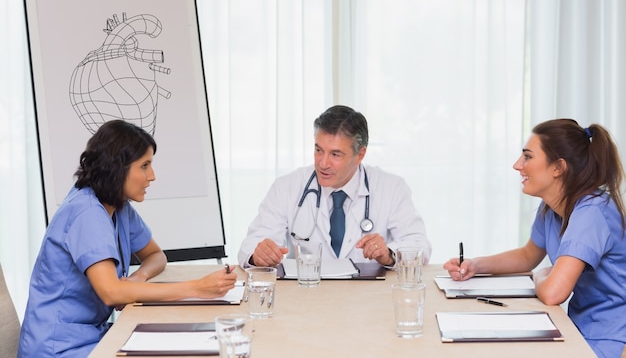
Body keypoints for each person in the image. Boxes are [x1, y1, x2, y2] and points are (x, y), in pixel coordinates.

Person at [18, 120, 237, 358]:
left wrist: (138, 278)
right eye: (144, 166)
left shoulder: (117, 206)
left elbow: (156, 255)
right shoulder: (86, 212)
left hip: (92, 336)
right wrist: (197, 288)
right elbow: (112, 293)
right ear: (116, 168)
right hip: (59, 348)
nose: (152, 176)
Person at [443, 119, 626, 358]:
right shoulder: (553, 207)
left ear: (558, 167)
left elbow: (552, 293)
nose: (517, 165)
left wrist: (539, 278)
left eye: (528, 157)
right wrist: (476, 265)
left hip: (609, 339)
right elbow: (528, 255)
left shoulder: (591, 212)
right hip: (577, 328)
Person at [238, 105, 431, 268]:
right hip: (307, 297)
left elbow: (419, 245)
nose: (323, 163)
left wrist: (389, 253)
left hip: (368, 299)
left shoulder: (391, 187)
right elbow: (250, 245)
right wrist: (259, 254)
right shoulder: (286, 187)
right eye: (318, 150)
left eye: (335, 155)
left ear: (360, 154)